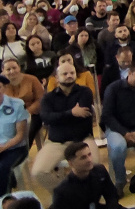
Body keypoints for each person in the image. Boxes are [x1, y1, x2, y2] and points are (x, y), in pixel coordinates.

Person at [32, 61, 98, 196]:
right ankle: (67, 193)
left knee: (95, 165)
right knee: (38, 172)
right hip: (56, 142)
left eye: (72, 73)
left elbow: (83, 115)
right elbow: (45, 118)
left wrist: (58, 116)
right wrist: (71, 113)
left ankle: (92, 196)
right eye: (65, 73)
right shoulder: (48, 98)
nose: (69, 76)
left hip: (82, 140)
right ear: (56, 78)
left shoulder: (85, 92)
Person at [102, 61, 135, 196]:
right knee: (118, 147)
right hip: (116, 128)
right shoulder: (113, 89)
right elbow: (107, 116)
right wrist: (124, 133)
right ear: (129, 74)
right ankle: (119, 182)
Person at [0, 70, 29, 194]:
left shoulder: (17, 105)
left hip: (15, 148)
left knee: (2, 168)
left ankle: (3, 201)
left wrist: (3, 147)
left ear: (5, 87)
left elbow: (20, 135)